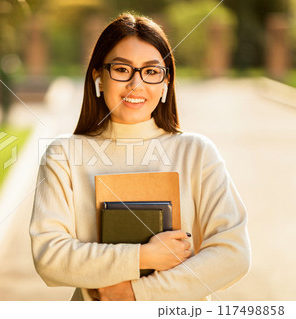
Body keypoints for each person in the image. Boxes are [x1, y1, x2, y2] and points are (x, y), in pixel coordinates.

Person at [29, 12, 251, 301]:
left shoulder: (196, 152)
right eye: (122, 69)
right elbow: (50, 257)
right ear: (98, 76)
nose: (136, 84)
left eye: (151, 71)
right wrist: (143, 256)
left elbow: (233, 255)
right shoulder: (63, 155)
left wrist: (136, 292)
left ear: (166, 83)